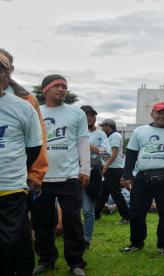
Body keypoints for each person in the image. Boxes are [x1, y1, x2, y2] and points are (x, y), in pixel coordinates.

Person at [31, 74, 90, 276]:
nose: (62, 90)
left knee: (72, 221)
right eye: (57, 86)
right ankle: (46, 259)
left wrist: (85, 169)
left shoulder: (76, 114)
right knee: (42, 222)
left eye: (64, 87)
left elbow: (83, 141)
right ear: (45, 89)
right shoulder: (34, 112)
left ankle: (76, 263)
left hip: (69, 177)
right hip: (41, 177)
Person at [120, 101, 164, 255]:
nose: (162, 116)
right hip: (142, 178)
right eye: (159, 112)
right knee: (136, 212)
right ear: (152, 114)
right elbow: (131, 154)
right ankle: (136, 242)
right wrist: (127, 175)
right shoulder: (140, 131)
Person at [0, 55, 43, 276]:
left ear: (8, 74)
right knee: (20, 236)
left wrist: (28, 173)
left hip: (11, 187)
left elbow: (34, 148)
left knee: (7, 242)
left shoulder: (24, 105)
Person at [80, 105, 109, 249]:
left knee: (87, 209)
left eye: (92, 115)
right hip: (73, 172)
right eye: (86, 115)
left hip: (93, 173)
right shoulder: (74, 131)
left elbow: (107, 154)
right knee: (71, 208)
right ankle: (73, 235)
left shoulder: (100, 134)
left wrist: (93, 148)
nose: (89, 117)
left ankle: (86, 239)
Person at [94, 118, 130, 224]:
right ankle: (96, 214)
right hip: (110, 167)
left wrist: (105, 167)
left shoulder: (115, 136)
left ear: (109, 126)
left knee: (116, 193)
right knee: (103, 193)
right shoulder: (109, 137)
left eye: (103, 126)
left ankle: (127, 217)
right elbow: (106, 153)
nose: (102, 128)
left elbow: (113, 153)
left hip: (113, 169)